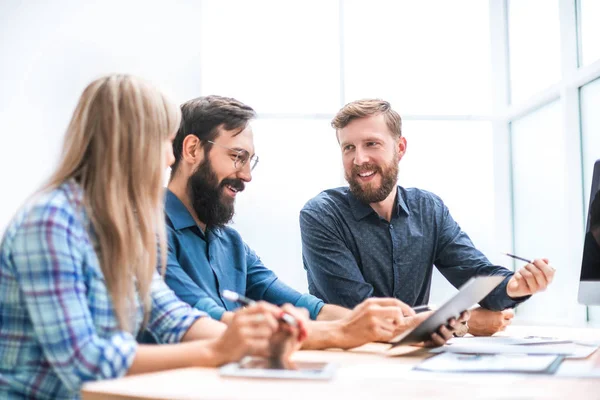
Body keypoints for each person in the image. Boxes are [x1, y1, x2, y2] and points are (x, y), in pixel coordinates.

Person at [0, 75, 305, 399]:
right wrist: (218, 350)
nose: (170, 158)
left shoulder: (117, 226)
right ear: (129, 144)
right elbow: (84, 363)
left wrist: (255, 340)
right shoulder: (51, 222)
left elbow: (173, 317)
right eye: (164, 141)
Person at [163, 95, 468, 350]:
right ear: (191, 150)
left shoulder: (229, 244)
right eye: (237, 156)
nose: (246, 175)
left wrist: (396, 325)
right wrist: (349, 332)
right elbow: (201, 316)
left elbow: (306, 307)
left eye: (249, 161)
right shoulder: (148, 232)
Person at [300, 99, 556, 336]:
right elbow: (364, 314)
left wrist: (515, 286)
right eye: (348, 148)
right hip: (347, 364)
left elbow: (477, 275)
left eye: (371, 144)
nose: (359, 159)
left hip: (414, 359)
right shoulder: (321, 216)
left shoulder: (428, 209)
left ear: (399, 148)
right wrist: (463, 323)